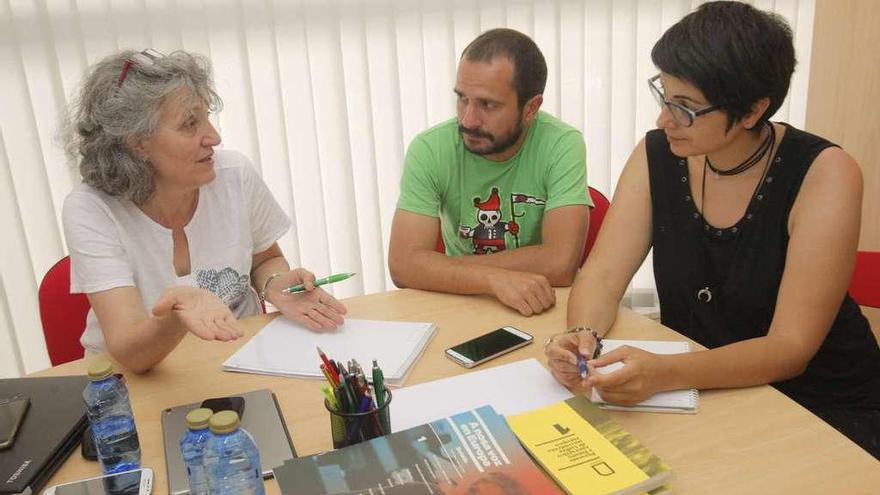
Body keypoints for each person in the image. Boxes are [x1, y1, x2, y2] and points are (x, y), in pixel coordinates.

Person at [544, 1, 880, 459]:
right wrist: (582, 335)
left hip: (820, 405)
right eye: (664, 95)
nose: (665, 120)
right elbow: (602, 275)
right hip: (704, 392)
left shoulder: (825, 173)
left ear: (751, 110)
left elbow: (790, 348)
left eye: (685, 108)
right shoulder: (658, 154)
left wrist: (664, 374)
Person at [62, 49, 347, 373]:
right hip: (135, 383)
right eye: (190, 124)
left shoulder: (233, 174)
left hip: (238, 360)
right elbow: (131, 352)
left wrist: (276, 284)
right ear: (137, 143)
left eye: (207, 117)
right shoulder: (91, 209)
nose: (214, 137)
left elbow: (266, 259)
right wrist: (179, 314)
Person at [388, 28, 591, 317]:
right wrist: (492, 279)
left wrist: (439, 268)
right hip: (462, 304)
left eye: (488, 104)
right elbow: (403, 266)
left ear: (531, 107)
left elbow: (561, 264)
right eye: (462, 99)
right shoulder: (430, 148)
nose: (468, 119)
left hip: (540, 304)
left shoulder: (562, 143)